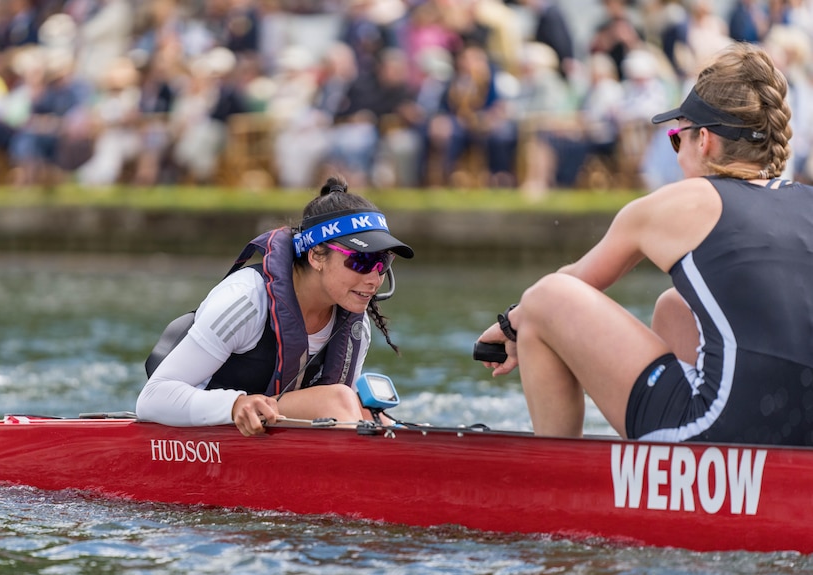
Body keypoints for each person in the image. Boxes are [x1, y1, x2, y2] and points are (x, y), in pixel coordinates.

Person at [477, 42, 813, 447]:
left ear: (703, 139)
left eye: (677, 138)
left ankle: (558, 485)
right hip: (800, 440)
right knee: (674, 307)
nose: (676, 153)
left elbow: (570, 287)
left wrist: (513, 323)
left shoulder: (680, 201)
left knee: (545, 298)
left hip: (720, 434)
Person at [136, 176, 414, 436]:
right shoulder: (245, 300)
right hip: (196, 435)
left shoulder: (357, 326)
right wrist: (234, 405)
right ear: (317, 256)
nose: (374, 279)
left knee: (372, 414)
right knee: (338, 399)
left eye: (383, 263)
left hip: (269, 434)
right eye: (361, 262)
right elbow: (152, 399)